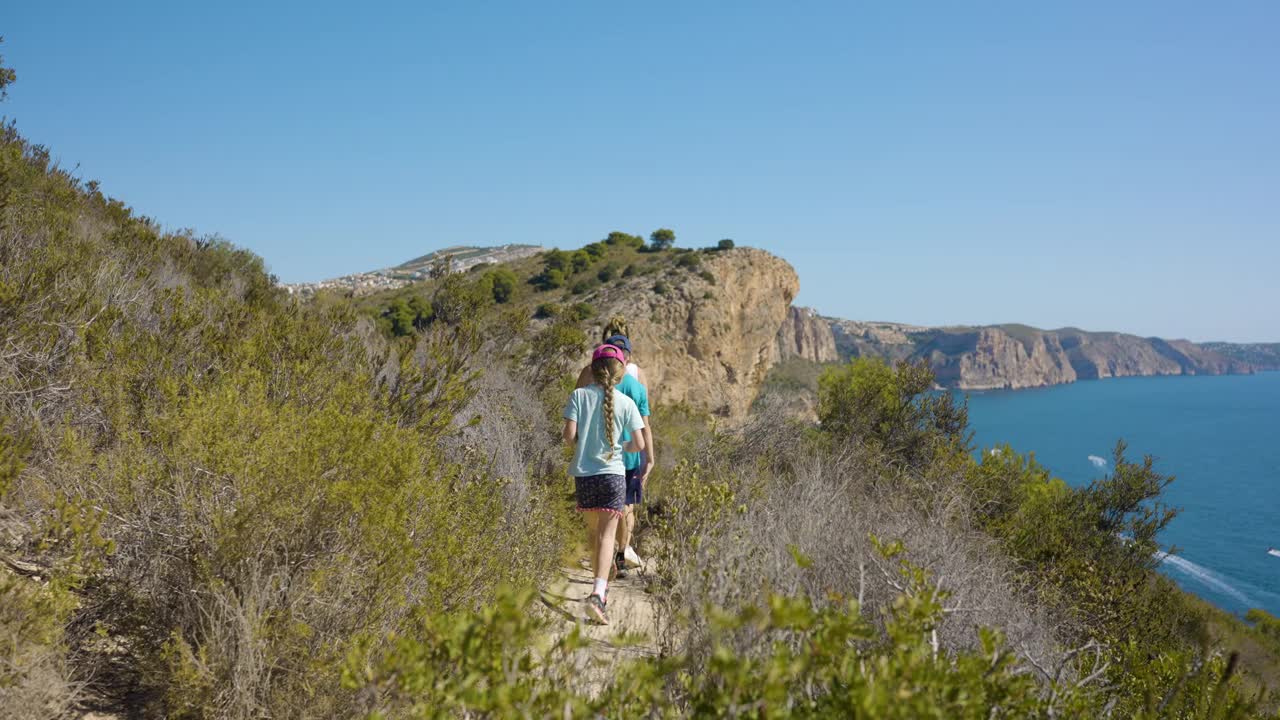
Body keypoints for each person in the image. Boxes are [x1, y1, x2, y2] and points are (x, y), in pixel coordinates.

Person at [563, 344, 646, 625]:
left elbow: (568, 436)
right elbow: (639, 444)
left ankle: (602, 571)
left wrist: (586, 443)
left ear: (593, 370)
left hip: (584, 477)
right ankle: (598, 595)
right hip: (613, 475)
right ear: (620, 373)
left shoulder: (577, 396)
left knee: (595, 533)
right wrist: (617, 446)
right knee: (607, 535)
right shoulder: (627, 403)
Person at [576, 322, 654, 577]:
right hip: (627, 456)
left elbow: (575, 421)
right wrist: (649, 458)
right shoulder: (637, 380)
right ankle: (622, 551)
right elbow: (645, 427)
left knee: (598, 519)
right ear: (626, 355)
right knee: (626, 506)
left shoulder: (588, 375)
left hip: (592, 457)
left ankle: (603, 562)